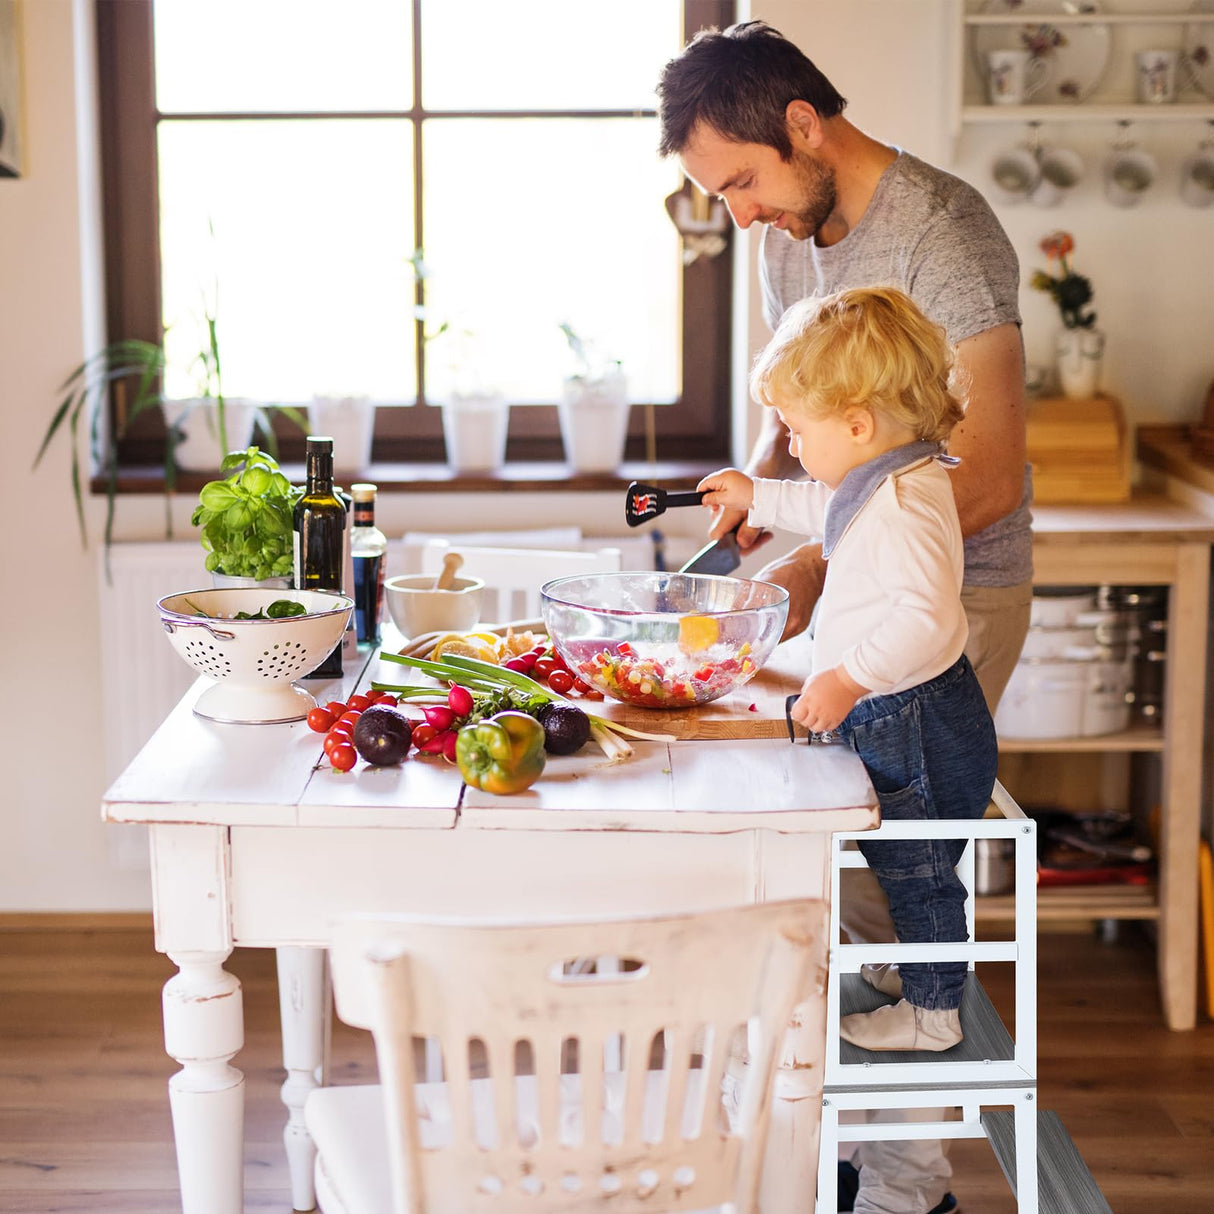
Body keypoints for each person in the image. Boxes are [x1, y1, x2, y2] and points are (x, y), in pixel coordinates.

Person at [657, 21, 1033, 1214]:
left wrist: (812, 572)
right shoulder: (793, 233)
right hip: (858, 578)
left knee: (884, 879)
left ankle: (906, 1189)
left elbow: (982, 476)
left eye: (741, 181)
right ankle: (822, 1149)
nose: (739, 213)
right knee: (808, 859)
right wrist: (738, 529)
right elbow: (805, 426)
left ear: (802, 127)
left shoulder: (942, 231)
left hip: (944, 593)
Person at [699, 284, 999, 1052]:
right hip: (913, 710)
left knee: (914, 864)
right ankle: (921, 968)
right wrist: (755, 494)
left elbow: (926, 618)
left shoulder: (901, 506)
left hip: (908, 714)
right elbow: (825, 507)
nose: (792, 444)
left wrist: (846, 679)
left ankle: (933, 1014)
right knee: (909, 855)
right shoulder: (889, 478)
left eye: (797, 430)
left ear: (858, 425)